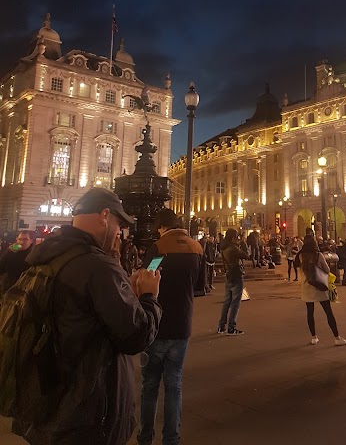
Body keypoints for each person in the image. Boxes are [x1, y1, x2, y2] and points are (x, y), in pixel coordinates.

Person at [19, 187, 161, 445]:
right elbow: (137, 335)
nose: (120, 232)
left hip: (46, 402)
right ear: (105, 216)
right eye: (119, 223)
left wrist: (119, 292)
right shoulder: (98, 266)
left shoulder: (48, 254)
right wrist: (149, 297)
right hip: (88, 414)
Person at [138, 208, 205, 445]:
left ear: (161, 226)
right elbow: (200, 285)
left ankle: (145, 437)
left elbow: (148, 277)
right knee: (174, 384)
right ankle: (172, 439)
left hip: (156, 324)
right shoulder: (196, 248)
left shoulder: (160, 248)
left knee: (149, 386)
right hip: (182, 323)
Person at [294, 235, 346, 346]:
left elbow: (298, 269)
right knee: (328, 312)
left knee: (310, 312)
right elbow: (327, 270)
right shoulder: (318, 255)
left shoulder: (300, 256)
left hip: (306, 287)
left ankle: (314, 337)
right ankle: (337, 337)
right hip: (319, 286)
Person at [217, 228, 249, 335]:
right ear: (233, 237)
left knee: (227, 302)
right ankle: (231, 327)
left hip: (229, 275)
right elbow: (246, 255)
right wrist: (243, 243)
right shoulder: (233, 248)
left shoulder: (224, 247)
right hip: (236, 275)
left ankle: (221, 326)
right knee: (235, 303)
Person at [0, 230, 35, 295]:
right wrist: (9, 251)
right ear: (16, 239)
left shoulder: (34, 255)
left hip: (24, 291)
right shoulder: (11, 252)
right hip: (8, 289)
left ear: (31, 241)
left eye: (25, 239)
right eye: (19, 239)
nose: (21, 242)